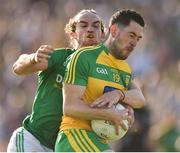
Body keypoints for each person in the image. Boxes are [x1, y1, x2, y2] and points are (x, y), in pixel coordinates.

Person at [7, 9, 106, 152]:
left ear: (103, 34)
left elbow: (133, 93)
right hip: (33, 140)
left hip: (62, 148)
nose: (90, 29)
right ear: (73, 33)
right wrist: (33, 58)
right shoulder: (60, 57)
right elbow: (18, 66)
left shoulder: (104, 71)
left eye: (96, 26)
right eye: (83, 25)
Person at [55, 9, 145, 152]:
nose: (134, 43)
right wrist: (108, 114)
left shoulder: (125, 69)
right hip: (75, 137)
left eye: (138, 38)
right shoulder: (84, 56)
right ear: (114, 31)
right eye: (131, 35)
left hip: (98, 141)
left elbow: (140, 98)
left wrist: (119, 96)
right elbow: (70, 107)